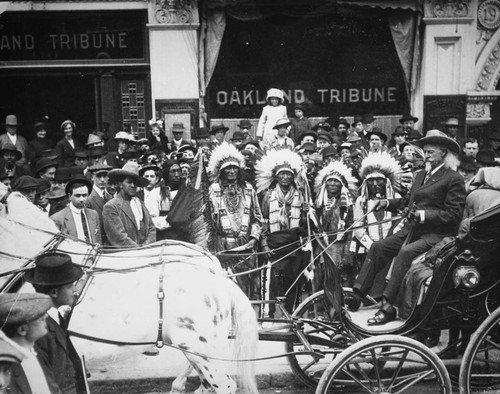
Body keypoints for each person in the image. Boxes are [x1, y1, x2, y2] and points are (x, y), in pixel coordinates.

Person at [352, 130, 466, 325]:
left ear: (444, 153)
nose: (426, 155)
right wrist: (387, 203)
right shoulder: (421, 174)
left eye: (431, 152)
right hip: (411, 230)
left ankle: (388, 307)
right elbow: (408, 201)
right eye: (425, 152)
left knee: (405, 252)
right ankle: (358, 293)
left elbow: (454, 215)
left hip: (436, 236)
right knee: (378, 247)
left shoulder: (453, 178)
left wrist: (423, 215)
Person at [207, 142, 263, 299]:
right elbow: (208, 222)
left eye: (234, 168)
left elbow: (257, 218)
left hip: (246, 244)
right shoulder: (214, 190)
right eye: (227, 168)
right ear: (221, 171)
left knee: (248, 287)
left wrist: (254, 238)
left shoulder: (248, 189)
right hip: (223, 245)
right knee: (226, 288)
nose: (231, 171)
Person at [26, 252, 88, 393]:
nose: (75, 289)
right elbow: (45, 383)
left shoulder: (55, 317)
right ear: (54, 292)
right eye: (70, 286)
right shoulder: (38, 330)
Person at [256, 149, 307, 315]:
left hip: (294, 245)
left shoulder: (301, 195)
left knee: (294, 281)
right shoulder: (267, 196)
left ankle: (292, 315)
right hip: (274, 244)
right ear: (276, 177)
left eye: (289, 174)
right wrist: (264, 246)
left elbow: (307, 226)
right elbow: (262, 222)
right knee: (271, 282)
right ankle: (268, 314)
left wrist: (307, 213)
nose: (285, 177)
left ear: (293, 177)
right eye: (282, 174)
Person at [350, 152, 403, 298]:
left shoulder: (396, 198)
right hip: (368, 248)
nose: (375, 185)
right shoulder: (361, 201)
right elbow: (358, 225)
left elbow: (401, 222)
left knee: (388, 280)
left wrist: (389, 241)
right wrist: (371, 245)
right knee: (369, 280)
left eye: (379, 180)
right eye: (371, 181)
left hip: (390, 247)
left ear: (386, 182)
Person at [314, 160, 358, 286]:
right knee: (322, 281)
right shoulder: (319, 204)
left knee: (340, 281)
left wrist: (348, 253)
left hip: (341, 247)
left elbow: (352, 230)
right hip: (322, 247)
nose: (332, 184)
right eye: (329, 180)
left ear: (342, 185)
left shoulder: (348, 205)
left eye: (336, 181)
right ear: (324, 183)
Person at [0, 293, 53, 394]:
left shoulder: (35, 353)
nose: (46, 316)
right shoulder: (5, 367)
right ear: (22, 330)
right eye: (39, 317)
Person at [103, 161, 156, 247]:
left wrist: (147, 246)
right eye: (129, 182)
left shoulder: (140, 203)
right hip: (126, 254)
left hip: (145, 252)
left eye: (135, 182)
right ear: (120, 184)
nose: (133, 185)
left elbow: (151, 228)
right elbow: (118, 236)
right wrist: (138, 250)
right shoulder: (111, 206)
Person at [50, 174, 102, 243]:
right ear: (69, 196)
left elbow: (98, 241)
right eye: (77, 196)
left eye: (84, 195)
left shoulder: (93, 214)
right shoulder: (57, 218)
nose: (81, 199)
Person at [137, 164, 173, 239]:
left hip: (162, 233)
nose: (149, 179)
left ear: (156, 179)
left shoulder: (163, 194)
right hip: (143, 233)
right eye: (146, 177)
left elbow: (167, 215)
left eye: (152, 176)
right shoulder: (137, 196)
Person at [85, 163, 114, 243]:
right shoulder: (88, 198)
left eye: (105, 176)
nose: (102, 180)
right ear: (92, 177)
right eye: (98, 176)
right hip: (98, 241)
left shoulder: (110, 196)